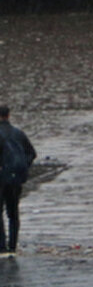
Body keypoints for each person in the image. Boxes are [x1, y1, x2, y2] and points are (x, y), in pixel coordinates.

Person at [0, 106, 36, 255]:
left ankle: (2, 247)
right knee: (13, 212)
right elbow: (32, 153)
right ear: (8, 115)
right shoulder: (19, 134)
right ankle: (13, 246)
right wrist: (22, 168)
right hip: (16, 178)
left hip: (1, 178)